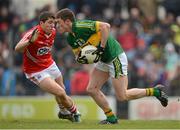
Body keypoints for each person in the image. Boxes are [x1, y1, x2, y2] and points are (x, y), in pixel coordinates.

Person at [55, 8, 168, 124]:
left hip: (115, 57)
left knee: (122, 96)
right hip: (103, 60)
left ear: (68, 21)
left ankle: (155, 92)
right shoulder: (70, 38)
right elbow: (79, 56)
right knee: (91, 89)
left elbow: (106, 26)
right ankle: (111, 118)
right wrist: (81, 58)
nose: (57, 26)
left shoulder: (81, 26)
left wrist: (101, 47)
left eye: (59, 22)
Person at [14, 11, 81, 122]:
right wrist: (30, 42)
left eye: (53, 23)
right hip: (35, 70)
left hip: (50, 64)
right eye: (49, 23)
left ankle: (63, 112)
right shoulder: (33, 33)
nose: (52, 25)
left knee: (61, 90)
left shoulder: (53, 31)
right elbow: (17, 48)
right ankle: (75, 112)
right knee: (60, 92)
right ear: (41, 23)